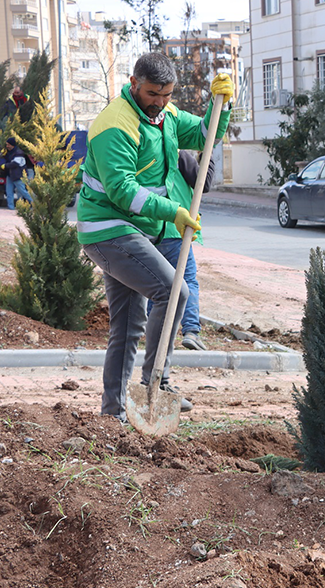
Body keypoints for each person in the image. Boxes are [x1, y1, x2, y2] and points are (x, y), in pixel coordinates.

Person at [76, 52, 233, 422]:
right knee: (174, 291)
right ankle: (154, 384)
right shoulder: (115, 124)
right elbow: (122, 191)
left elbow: (204, 134)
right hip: (107, 229)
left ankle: (112, 415)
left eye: (166, 94)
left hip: (136, 231)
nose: (160, 101)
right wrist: (173, 212)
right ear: (134, 84)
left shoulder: (167, 114)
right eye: (152, 94)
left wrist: (220, 106)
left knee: (128, 326)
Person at [147, 146, 221, 351]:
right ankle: (191, 331)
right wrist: (207, 155)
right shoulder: (179, 157)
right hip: (177, 230)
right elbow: (203, 184)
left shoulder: (145, 157)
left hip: (150, 230)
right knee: (186, 281)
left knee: (155, 284)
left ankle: (154, 331)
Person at [0, 137, 32, 210]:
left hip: (18, 176)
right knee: (9, 192)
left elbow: (15, 164)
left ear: (12, 145)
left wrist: (5, 166)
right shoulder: (9, 152)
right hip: (10, 175)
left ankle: (34, 204)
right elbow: (9, 159)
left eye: (8, 145)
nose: (7, 146)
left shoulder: (19, 153)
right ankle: (11, 208)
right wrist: (4, 155)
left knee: (23, 191)